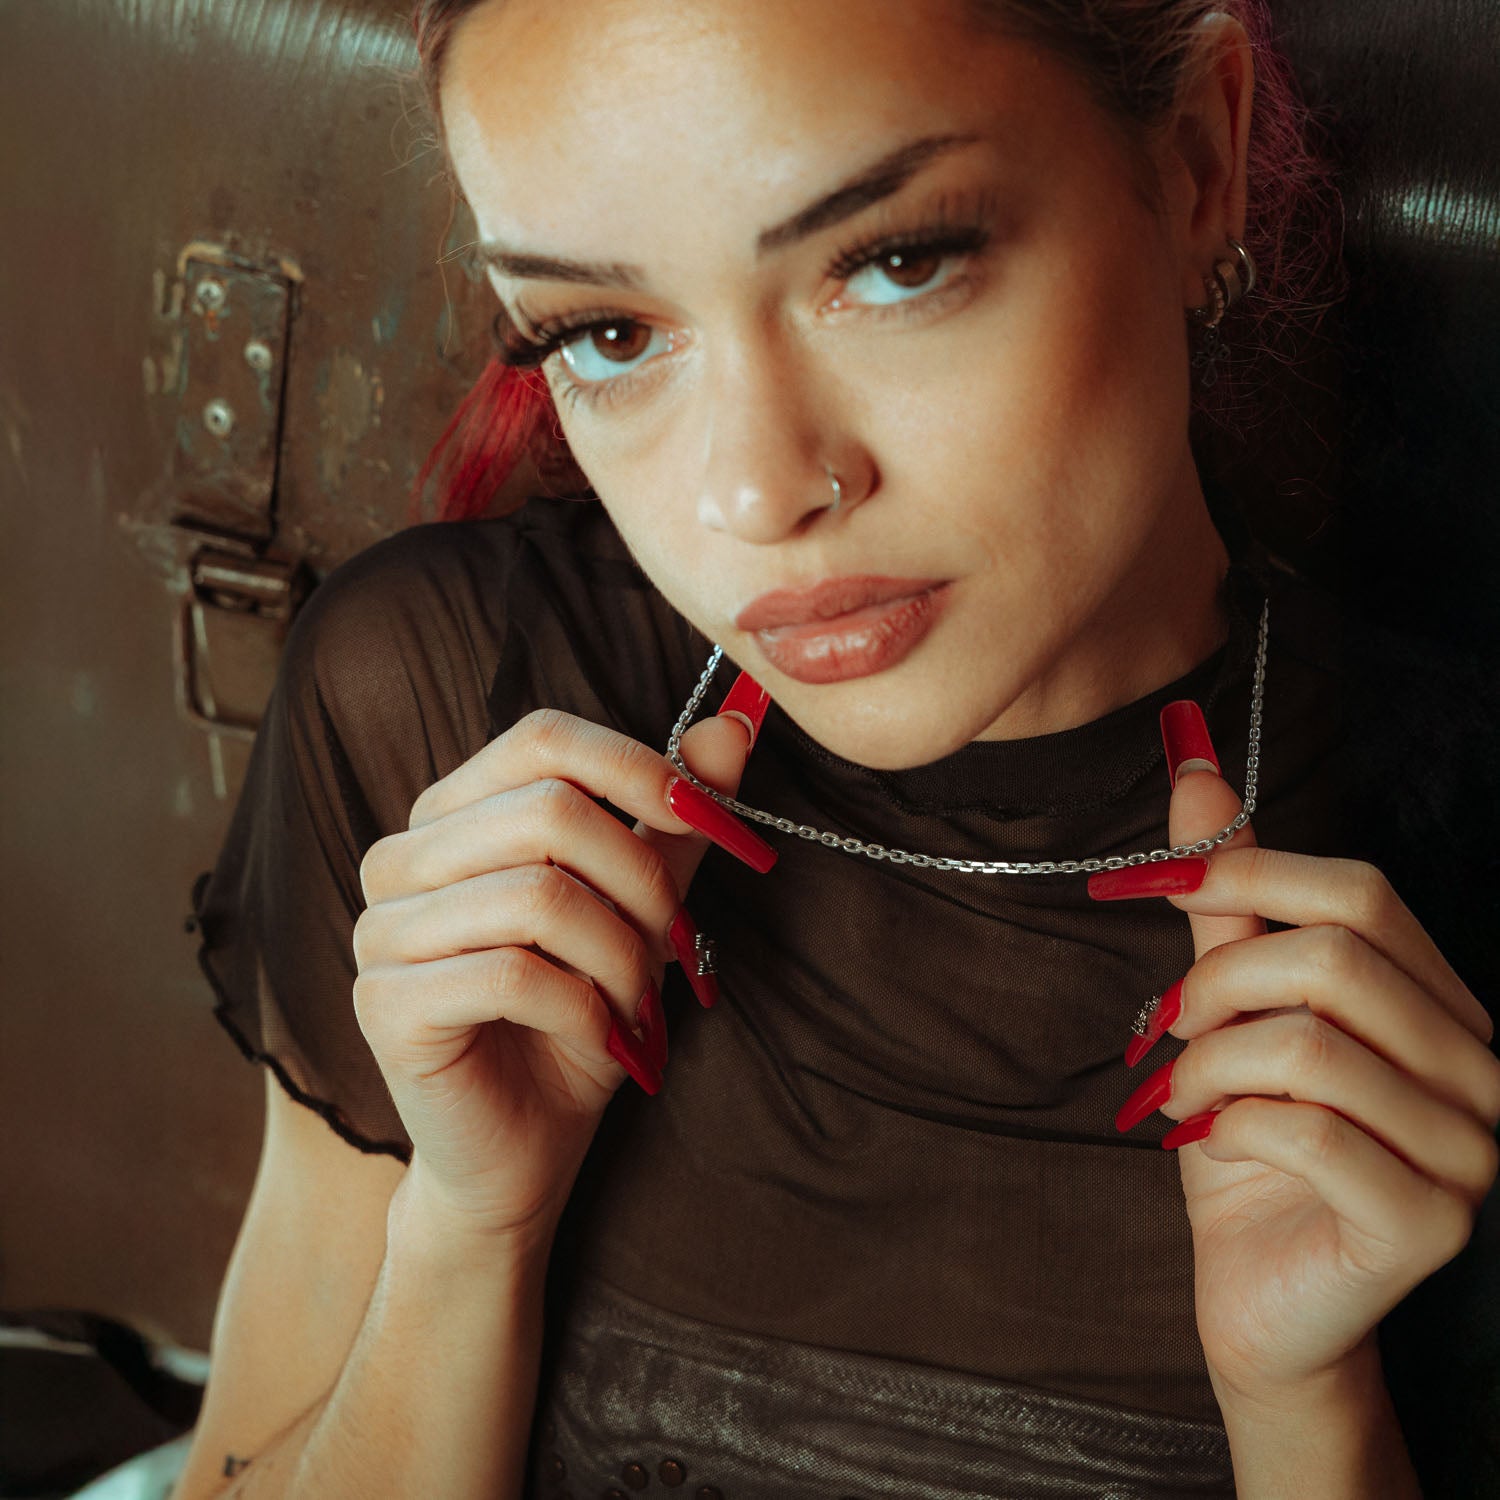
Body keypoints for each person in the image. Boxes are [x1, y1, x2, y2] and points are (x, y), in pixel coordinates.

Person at [173, 1, 1500, 1496]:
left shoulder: (1444, 835)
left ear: (1198, 160)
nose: (752, 493)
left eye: (895, 262)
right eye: (608, 334)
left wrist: (1306, 1409)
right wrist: (468, 1234)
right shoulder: (443, 712)